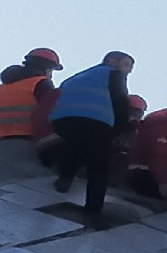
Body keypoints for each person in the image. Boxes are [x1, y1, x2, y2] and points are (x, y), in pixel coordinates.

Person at [50, 51, 133, 220]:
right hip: (96, 121)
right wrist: (121, 129)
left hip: (62, 119)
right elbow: (120, 100)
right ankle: (93, 211)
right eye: (127, 65)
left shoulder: (76, 77)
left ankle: (64, 178)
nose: (129, 70)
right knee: (99, 167)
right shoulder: (113, 74)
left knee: (74, 148)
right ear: (112, 61)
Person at [0, 48, 62, 140]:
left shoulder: (4, 86)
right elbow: (50, 110)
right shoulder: (41, 83)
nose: (51, 76)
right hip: (31, 137)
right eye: (51, 70)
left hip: (3, 138)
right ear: (45, 67)